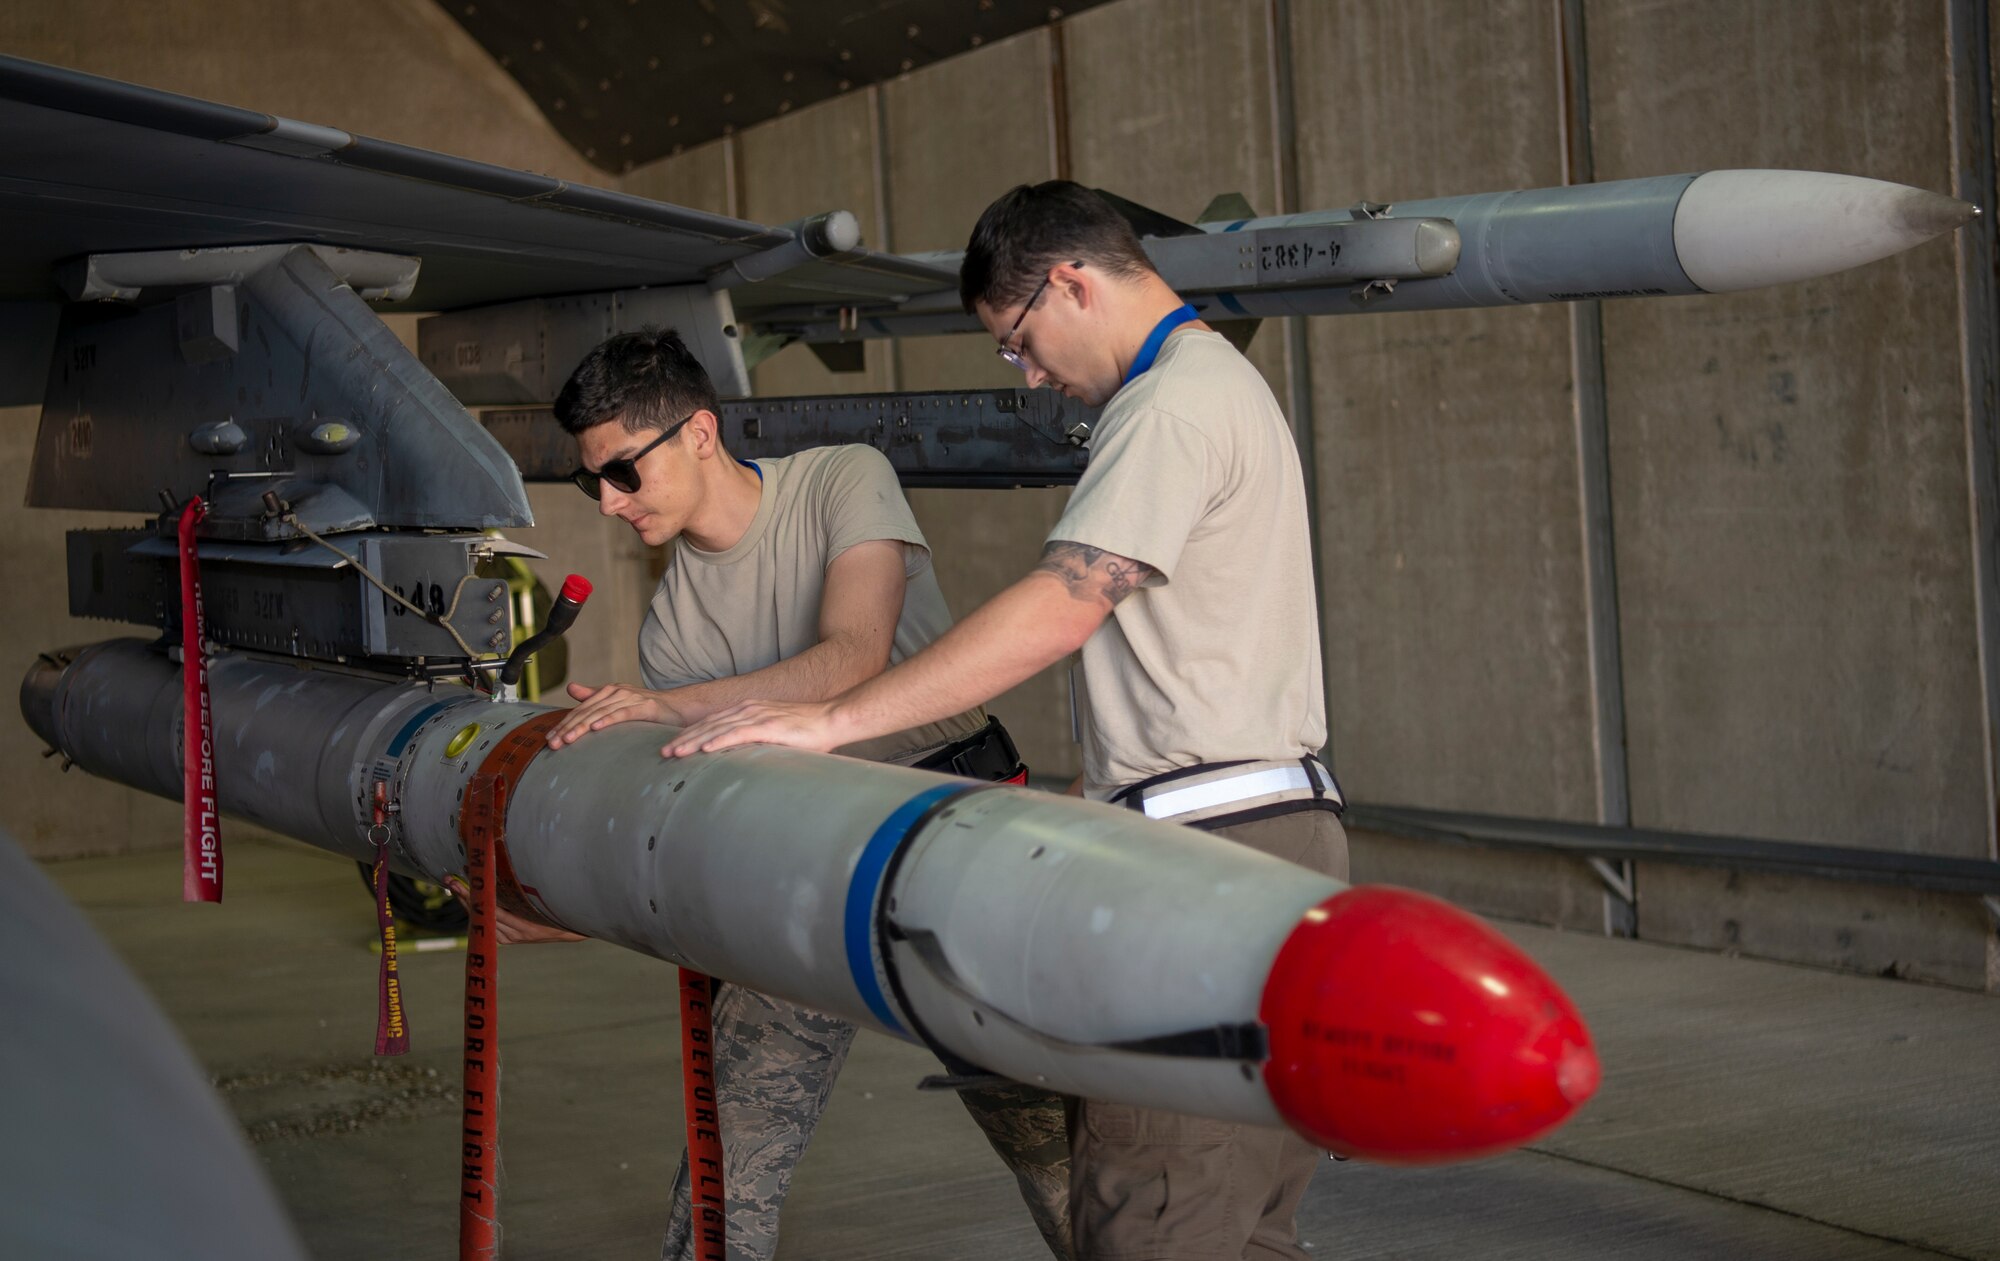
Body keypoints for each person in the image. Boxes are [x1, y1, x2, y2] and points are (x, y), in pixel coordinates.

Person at [664, 181, 1347, 1261]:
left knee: (1155, 1217)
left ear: (1069, 282)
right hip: (1273, 841)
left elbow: (1063, 602)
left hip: (1198, 866)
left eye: (1017, 341)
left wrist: (831, 721)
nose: (1027, 373)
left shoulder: (1167, 405)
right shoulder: (1220, 385)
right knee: (1243, 1224)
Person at [496, 326, 1072, 1261]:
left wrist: (667, 708)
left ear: (698, 433)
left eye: (622, 473)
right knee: (726, 1178)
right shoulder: (674, 632)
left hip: (951, 839)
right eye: (590, 482)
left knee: (1057, 1153)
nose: (607, 503)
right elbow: (701, 842)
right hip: (805, 871)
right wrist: (564, 910)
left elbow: (855, 655)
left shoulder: (842, 479)